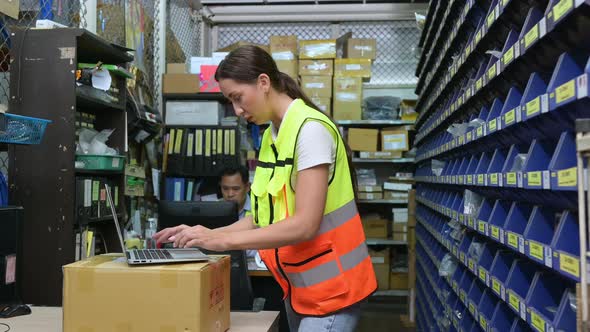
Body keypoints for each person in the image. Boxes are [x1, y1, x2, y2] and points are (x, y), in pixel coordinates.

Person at [154, 45, 377, 332]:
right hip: (299, 289)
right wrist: (202, 234)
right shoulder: (273, 136)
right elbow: (261, 219)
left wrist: (223, 243)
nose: (237, 110)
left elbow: (305, 225)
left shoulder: (310, 131)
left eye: (238, 98)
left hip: (333, 291)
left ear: (263, 82)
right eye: (230, 102)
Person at [218, 165, 257, 258]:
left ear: (247, 187)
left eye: (236, 189)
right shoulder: (213, 209)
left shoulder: (258, 209)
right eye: (225, 188)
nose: (230, 194)